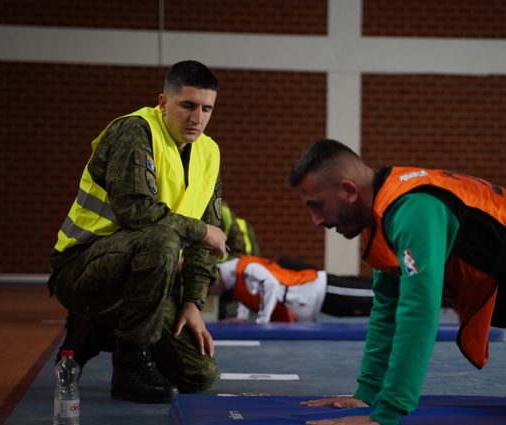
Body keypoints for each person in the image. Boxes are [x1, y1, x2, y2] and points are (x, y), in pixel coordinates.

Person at [289, 138, 506, 425]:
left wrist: (388, 411)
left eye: (317, 206)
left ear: (348, 190)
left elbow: (419, 308)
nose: (316, 220)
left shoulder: (413, 207)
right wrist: (367, 392)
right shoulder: (385, 217)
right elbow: (387, 308)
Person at [48, 60, 227, 404]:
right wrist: (202, 230)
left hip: (143, 271)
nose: (197, 118)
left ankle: (94, 330)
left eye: (206, 109)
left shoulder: (209, 152)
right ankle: (129, 366)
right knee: (161, 239)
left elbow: (204, 243)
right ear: (163, 102)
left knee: (199, 374)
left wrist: (192, 302)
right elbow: (137, 211)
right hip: (81, 268)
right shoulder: (134, 131)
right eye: (188, 105)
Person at [212, 255, 373, 323]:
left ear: (214, 278)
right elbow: (247, 295)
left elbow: (270, 284)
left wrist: (262, 321)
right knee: (364, 309)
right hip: (316, 305)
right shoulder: (235, 282)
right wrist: (241, 317)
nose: (209, 295)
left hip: (317, 289)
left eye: (208, 290)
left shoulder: (245, 268)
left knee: (373, 296)